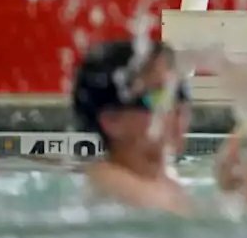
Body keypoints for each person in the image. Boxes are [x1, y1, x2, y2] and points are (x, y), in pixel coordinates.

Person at [71, 38, 196, 214]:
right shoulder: (115, 184)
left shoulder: (164, 183)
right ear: (113, 121)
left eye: (180, 92)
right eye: (160, 95)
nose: (178, 107)